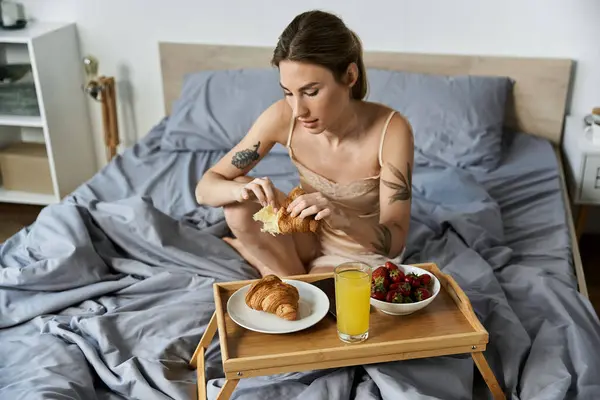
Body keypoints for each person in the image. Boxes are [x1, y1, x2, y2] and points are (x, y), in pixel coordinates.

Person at [195, 10, 414, 277]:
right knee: (238, 203)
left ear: (350, 76)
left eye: (311, 92)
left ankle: (274, 270)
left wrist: (338, 215)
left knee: (330, 309)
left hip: (364, 250)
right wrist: (244, 191)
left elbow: (395, 242)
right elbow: (205, 189)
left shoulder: (391, 130)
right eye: (288, 92)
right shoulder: (282, 117)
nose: (298, 110)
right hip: (307, 237)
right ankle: (295, 278)